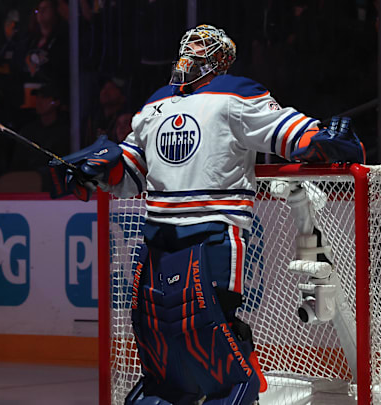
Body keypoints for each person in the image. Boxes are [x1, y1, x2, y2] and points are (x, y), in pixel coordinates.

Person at [47, 24, 364, 404]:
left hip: (213, 237)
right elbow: (130, 173)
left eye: (200, 45)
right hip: (157, 242)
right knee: (164, 360)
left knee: (217, 353)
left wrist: (323, 140)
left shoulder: (236, 93)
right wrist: (98, 169)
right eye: (188, 43)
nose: (189, 50)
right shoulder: (155, 103)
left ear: (220, 59)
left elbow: (289, 134)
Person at [9, 82, 70, 172]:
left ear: (56, 102)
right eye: (37, 97)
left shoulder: (65, 132)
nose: (39, 101)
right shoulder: (28, 130)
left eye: (44, 97)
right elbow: (18, 163)